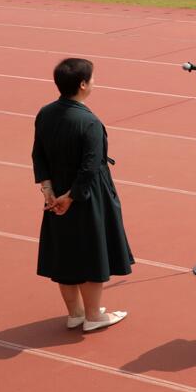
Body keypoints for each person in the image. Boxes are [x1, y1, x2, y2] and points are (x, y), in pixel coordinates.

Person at [32, 58, 133, 333]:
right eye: (93, 79)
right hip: (87, 196)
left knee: (65, 251)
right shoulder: (88, 122)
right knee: (92, 252)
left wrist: (50, 192)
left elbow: (38, 154)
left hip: (55, 195)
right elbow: (90, 166)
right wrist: (72, 197)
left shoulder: (45, 113)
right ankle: (93, 315)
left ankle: (75, 313)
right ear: (83, 84)